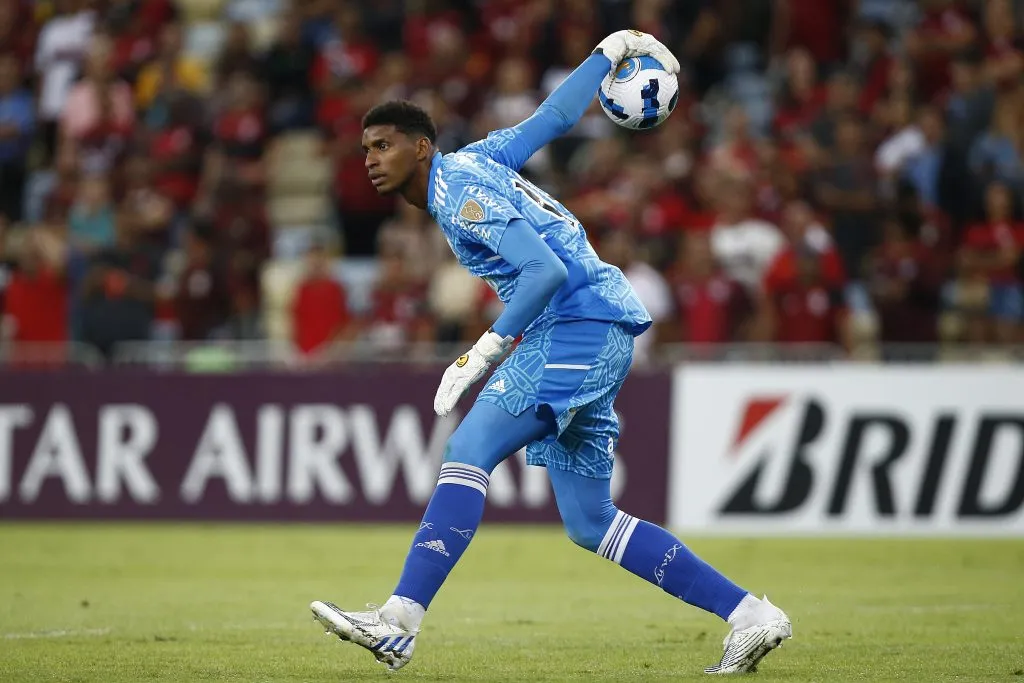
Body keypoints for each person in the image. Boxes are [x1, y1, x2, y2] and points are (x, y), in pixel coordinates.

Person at [309, 30, 792, 676]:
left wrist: (479, 353)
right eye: (366, 147)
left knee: (468, 449)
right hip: (600, 323)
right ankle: (750, 615)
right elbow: (554, 118)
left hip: (576, 323)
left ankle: (399, 619)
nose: (371, 158)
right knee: (590, 522)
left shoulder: (459, 197)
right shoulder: (477, 160)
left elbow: (542, 273)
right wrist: (609, 51)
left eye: (385, 144)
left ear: (421, 148)